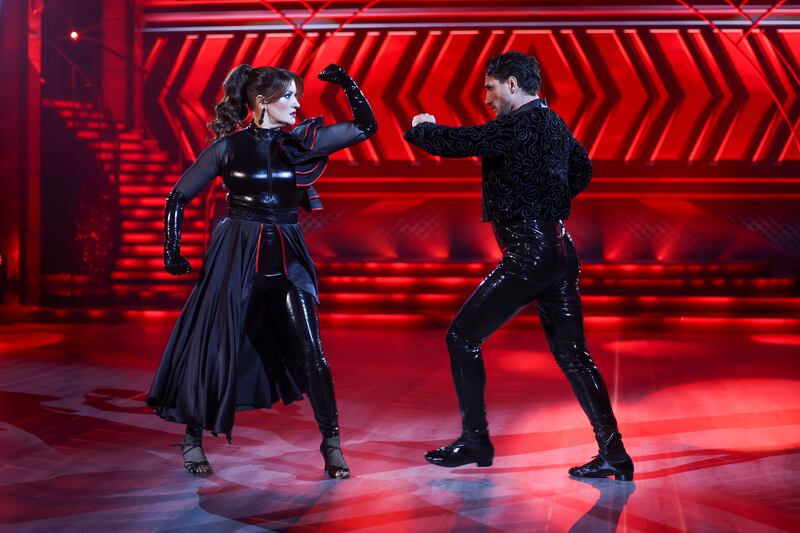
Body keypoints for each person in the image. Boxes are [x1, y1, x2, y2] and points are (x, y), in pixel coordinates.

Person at [403, 51, 633, 481]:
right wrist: (544, 197)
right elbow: (582, 171)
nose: (486, 98)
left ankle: (475, 440)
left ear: (512, 84)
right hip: (559, 247)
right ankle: (614, 453)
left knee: (461, 338)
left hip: (529, 252)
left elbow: (459, 143)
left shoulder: (519, 123)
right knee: (574, 356)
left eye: (489, 88)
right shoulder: (555, 123)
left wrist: (421, 128)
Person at [146, 63, 376, 479]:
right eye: (289, 96)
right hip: (236, 252)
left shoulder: (300, 142)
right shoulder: (228, 148)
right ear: (262, 103)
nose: (297, 103)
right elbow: (177, 197)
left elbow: (365, 127)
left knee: (313, 351)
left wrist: (347, 84)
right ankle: (193, 438)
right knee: (215, 347)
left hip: (287, 254)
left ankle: (332, 443)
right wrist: (171, 251)